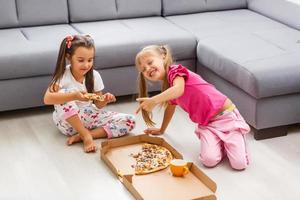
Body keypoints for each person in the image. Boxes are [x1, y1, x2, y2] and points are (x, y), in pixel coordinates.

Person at [135, 45, 250, 170]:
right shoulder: (170, 89)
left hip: (226, 117)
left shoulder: (176, 71)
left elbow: (179, 90)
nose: (148, 68)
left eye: (150, 62)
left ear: (163, 57)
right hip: (208, 125)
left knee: (239, 164)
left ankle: (234, 136)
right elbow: (170, 107)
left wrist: (154, 100)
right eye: (143, 69)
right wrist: (162, 129)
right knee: (209, 161)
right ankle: (221, 143)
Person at [44, 35, 135, 153]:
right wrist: (74, 95)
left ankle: (84, 134)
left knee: (130, 120)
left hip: (88, 118)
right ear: (68, 57)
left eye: (90, 60)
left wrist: (104, 100)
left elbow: (98, 105)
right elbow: (47, 99)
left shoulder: (94, 76)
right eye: (81, 60)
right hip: (68, 124)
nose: (86, 65)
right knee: (64, 93)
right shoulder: (62, 76)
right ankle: (85, 135)